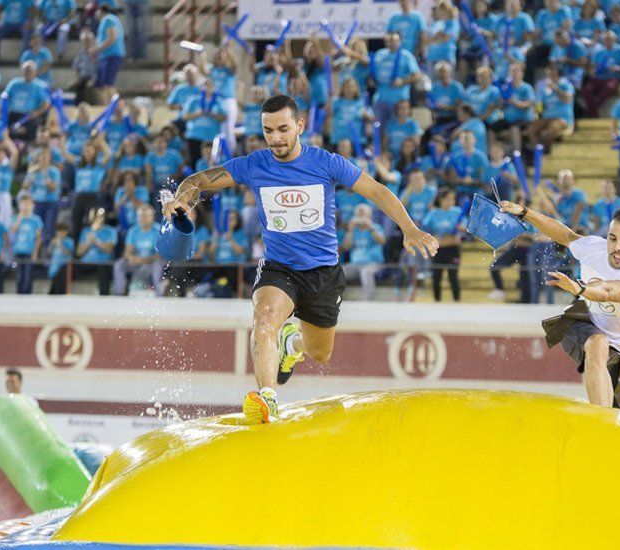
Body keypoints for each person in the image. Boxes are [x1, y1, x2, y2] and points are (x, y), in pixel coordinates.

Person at [162, 95, 438, 424]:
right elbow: (198, 181)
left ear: (300, 126)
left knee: (320, 353)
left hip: (323, 272)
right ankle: (267, 399)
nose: (276, 138)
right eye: (268, 131)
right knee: (264, 318)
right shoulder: (254, 165)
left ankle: (291, 345)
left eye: (283, 129)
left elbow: (377, 190)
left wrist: (409, 229)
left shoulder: (327, 163)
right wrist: (181, 202)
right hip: (280, 268)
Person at [499, 201, 620, 408]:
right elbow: (565, 235)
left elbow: (608, 291)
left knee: (615, 410)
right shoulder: (595, 248)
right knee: (598, 344)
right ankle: (602, 421)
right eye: (612, 238)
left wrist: (579, 288)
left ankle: (603, 421)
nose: (617, 248)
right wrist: (525, 213)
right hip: (583, 322)